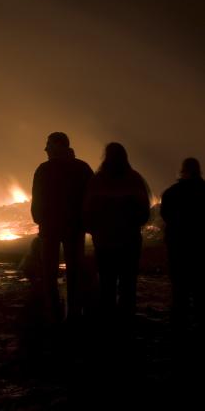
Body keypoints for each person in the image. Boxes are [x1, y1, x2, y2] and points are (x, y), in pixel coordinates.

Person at [83, 143, 150, 325]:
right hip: (130, 242)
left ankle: (108, 321)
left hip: (104, 243)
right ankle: (127, 321)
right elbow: (145, 213)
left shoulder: (97, 181)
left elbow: (87, 213)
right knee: (128, 284)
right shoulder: (134, 179)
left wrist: (96, 231)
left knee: (107, 283)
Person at [31, 132, 93, 324]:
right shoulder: (83, 169)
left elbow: (37, 199)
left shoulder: (43, 170)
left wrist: (40, 219)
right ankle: (75, 311)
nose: (46, 149)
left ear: (58, 146)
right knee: (74, 269)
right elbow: (90, 197)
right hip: (74, 227)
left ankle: (53, 313)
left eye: (48, 144)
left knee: (49, 271)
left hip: (50, 228)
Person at [160, 157, 205, 329]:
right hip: (200, 248)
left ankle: (180, 328)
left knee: (180, 291)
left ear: (183, 170)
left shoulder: (172, 193)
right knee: (201, 290)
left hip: (178, 247)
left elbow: (166, 216)